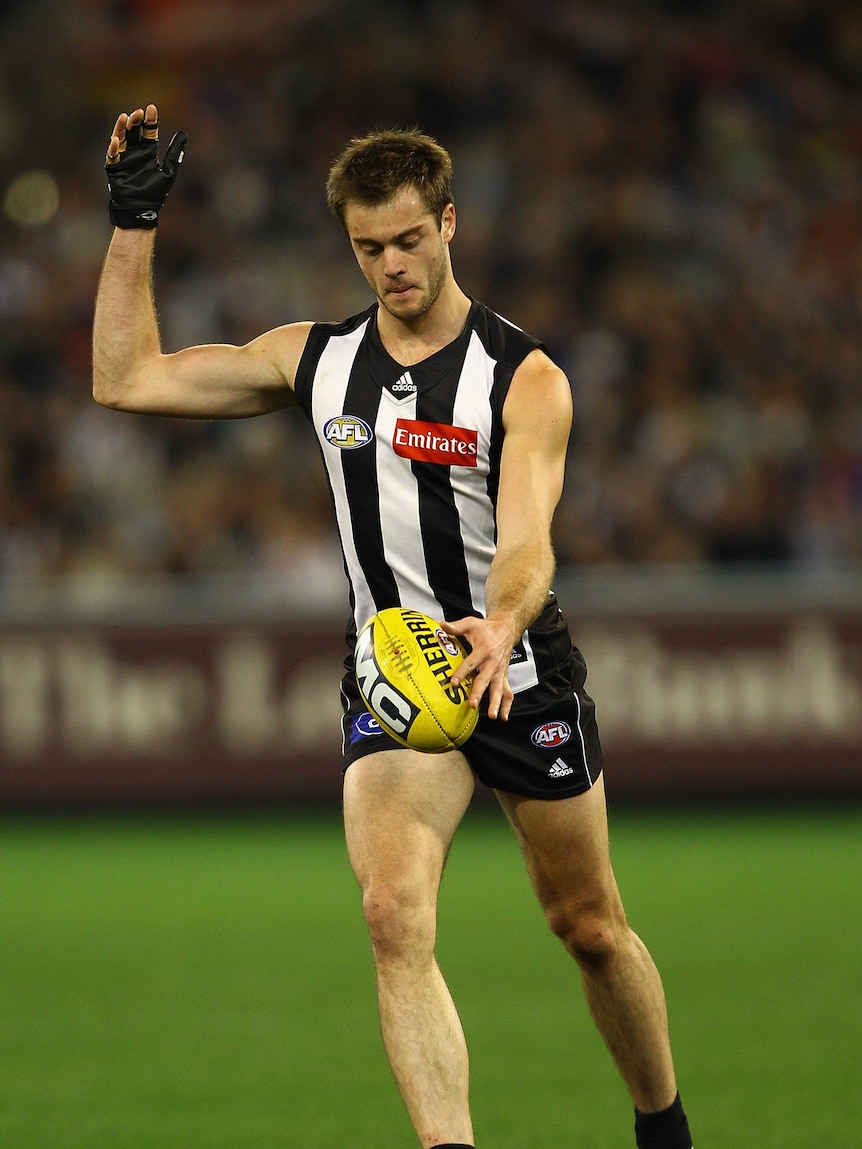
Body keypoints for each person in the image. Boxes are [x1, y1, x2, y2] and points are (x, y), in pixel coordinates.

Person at [93, 104, 695, 1149]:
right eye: (369, 248)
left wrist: (502, 628)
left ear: (450, 223)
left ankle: (664, 1129)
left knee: (589, 927)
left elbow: (526, 545)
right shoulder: (315, 360)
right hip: (395, 677)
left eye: (409, 239)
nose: (391, 265)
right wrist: (132, 217)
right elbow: (126, 379)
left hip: (515, 667)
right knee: (392, 917)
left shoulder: (524, 378)